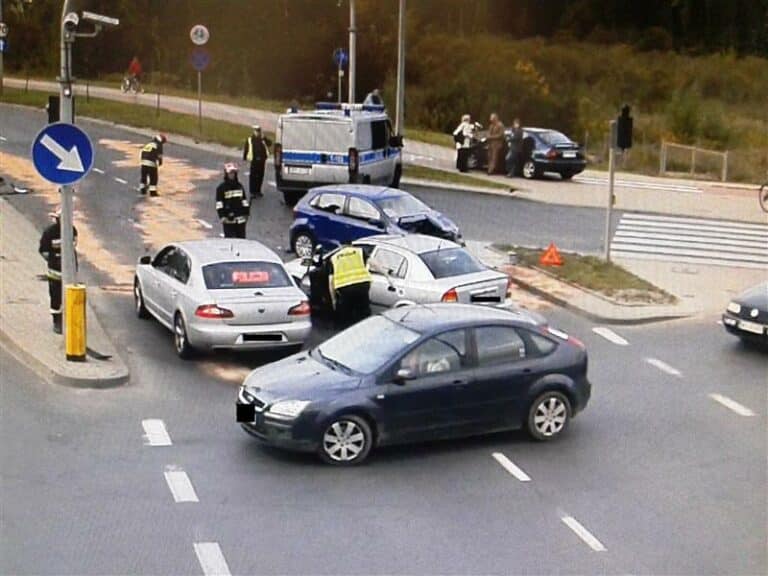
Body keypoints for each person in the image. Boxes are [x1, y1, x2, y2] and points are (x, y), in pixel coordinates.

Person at [38, 206, 78, 334]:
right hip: (55, 271)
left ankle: (71, 319)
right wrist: (54, 259)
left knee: (71, 294)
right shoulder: (49, 233)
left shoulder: (72, 231)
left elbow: (73, 246)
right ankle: (57, 321)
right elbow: (43, 250)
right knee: (56, 296)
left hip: (70, 270)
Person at [328, 244, 372, 323]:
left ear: (341, 246)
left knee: (346, 316)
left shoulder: (334, 258)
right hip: (361, 286)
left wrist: (333, 299)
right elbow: (374, 263)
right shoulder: (359, 251)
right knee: (364, 315)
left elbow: (331, 281)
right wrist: (387, 276)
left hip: (345, 290)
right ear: (352, 244)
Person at [216, 163, 250, 238]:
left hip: (240, 220)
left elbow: (244, 201)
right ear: (226, 174)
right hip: (228, 221)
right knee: (230, 242)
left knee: (241, 242)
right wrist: (222, 216)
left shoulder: (239, 186)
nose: (232, 175)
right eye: (230, 173)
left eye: (234, 173)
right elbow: (219, 204)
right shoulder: (221, 188)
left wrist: (246, 213)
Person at [242, 125, 270, 198]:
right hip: (254, 161)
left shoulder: (263, 140)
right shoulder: (250, 139)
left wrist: (264, 138)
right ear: (254, 131)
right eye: (256, 131)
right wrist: (244, 158)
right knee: (253, 176)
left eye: (258, 131)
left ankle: (258, 191)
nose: (257, 133)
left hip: (262, 161)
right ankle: (252, 191)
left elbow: (270, 144)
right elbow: (246, 148)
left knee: (260, 176)